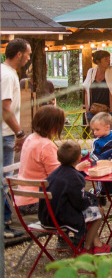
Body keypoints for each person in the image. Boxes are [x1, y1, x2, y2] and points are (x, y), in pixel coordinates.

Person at [39, 141, 112, 255]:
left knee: (92, 208)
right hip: (61, 219)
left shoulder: (52, 175)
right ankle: (87, 247)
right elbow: (79, 204)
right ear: (80, 157)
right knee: (98, 212)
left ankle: (96, 243)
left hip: (45, 217)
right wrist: (89, 201)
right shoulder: (75, 177)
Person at [2, 38, 31, 238]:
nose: (29, 58)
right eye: (28, 54)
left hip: (6, 133)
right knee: (4, 180)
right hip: (5, 134)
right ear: (19, 54)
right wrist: (20, 132)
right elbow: (5, 108)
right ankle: (4, 224)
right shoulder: (7, 75)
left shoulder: (8, 73)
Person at [15, 105, 65, 216]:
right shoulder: (46, 145)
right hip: (38, 201)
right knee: (89, 207)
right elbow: (58, 176)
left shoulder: (30, 138)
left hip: (21, 200)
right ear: (53, 126)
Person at [83, 50, 112, 129]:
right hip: (94, 110)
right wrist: (87, 109)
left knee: (111, 135)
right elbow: (86, 90)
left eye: (109, 59)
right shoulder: (91, 72)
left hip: (109, 110)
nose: (109, 61)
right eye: (105, 59)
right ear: (98, 61)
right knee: (98, 135)